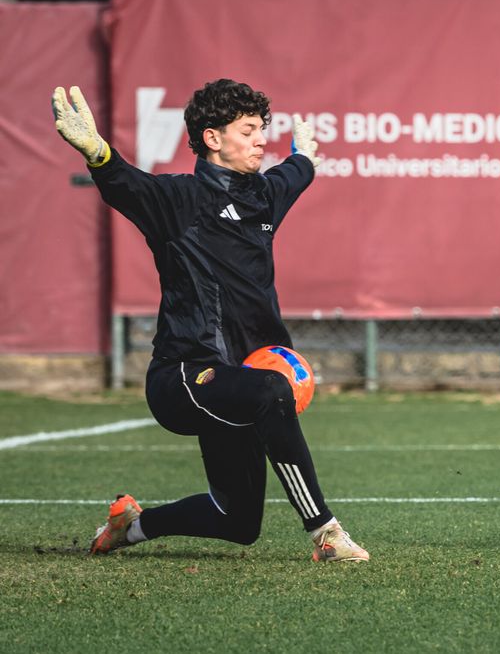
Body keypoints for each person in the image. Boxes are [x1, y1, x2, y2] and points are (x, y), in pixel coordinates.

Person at [52, 79, 369, 562]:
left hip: (237, 384)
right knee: (271, 390)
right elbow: (125, 185)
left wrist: (303, 155)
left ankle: (131, 526)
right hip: (183, 376)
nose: (261, 138)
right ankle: (326, 534)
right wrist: (98, 152)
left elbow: (296, 174)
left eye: (264, 128)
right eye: (248, 129)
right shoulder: (179, 201)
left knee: (238, 521)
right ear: (213, 138)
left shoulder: (262, 195)